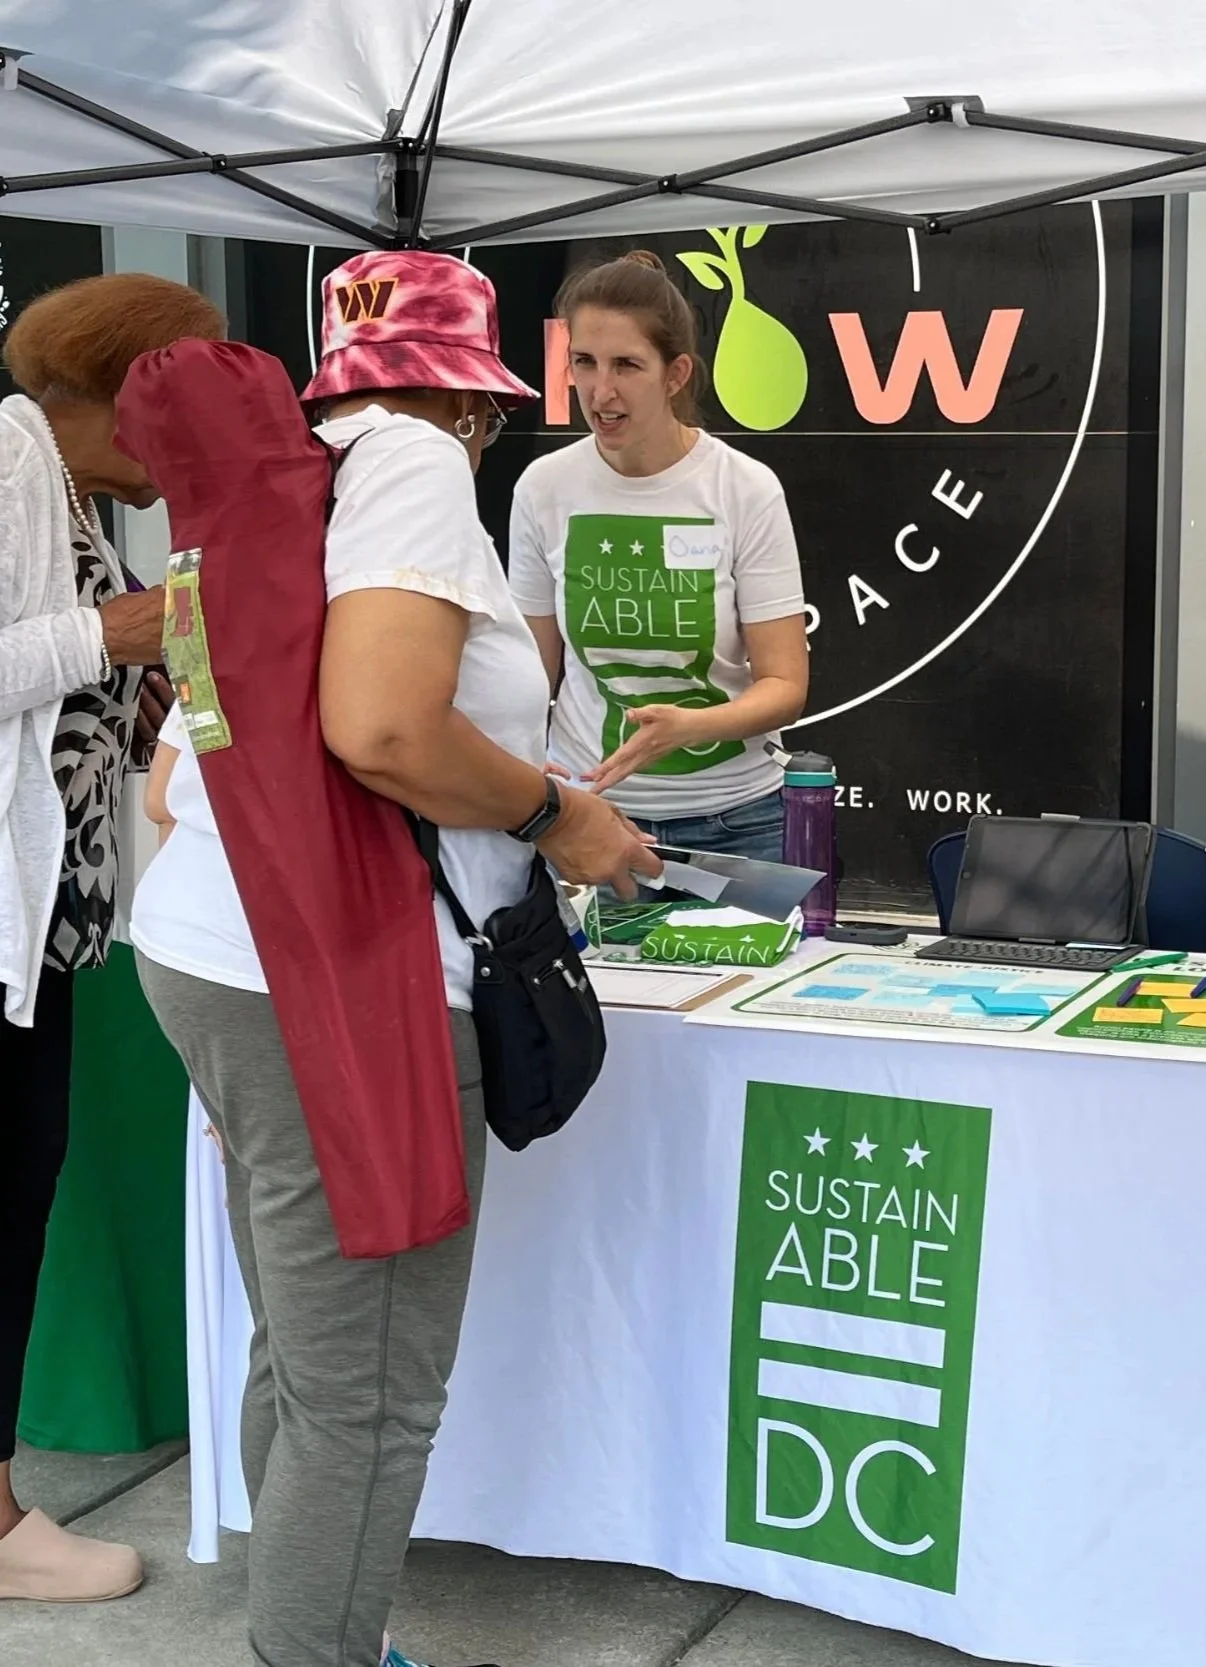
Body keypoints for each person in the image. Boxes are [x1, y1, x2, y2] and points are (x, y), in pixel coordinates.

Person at [131, 251, 658, 1667]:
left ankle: (320, 1625)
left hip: (221, 954)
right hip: (346, 985)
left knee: (308, 1349)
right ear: (469, 399)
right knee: (368, 1389)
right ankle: (314, 1646)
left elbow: (179, 779)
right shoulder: (414, 470)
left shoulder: (276, 489)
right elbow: (382, 728)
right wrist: (560, 815)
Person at [0, 273, 224, 1604]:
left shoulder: (76, 494)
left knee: (17, 1202)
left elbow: (94, 709)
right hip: (6, 932)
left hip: (50, 934)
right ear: (132, 388)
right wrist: (128, 628)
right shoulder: (9, 462)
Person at [508, 250, 809, 861]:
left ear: (676, 375)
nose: (601, 390)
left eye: (627, 365)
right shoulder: (543, 487)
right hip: (592, 816)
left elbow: (784, 685)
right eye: (584, 363)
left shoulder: (744, 488)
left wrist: (690, 727)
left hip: (739, 820)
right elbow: (529, 673)